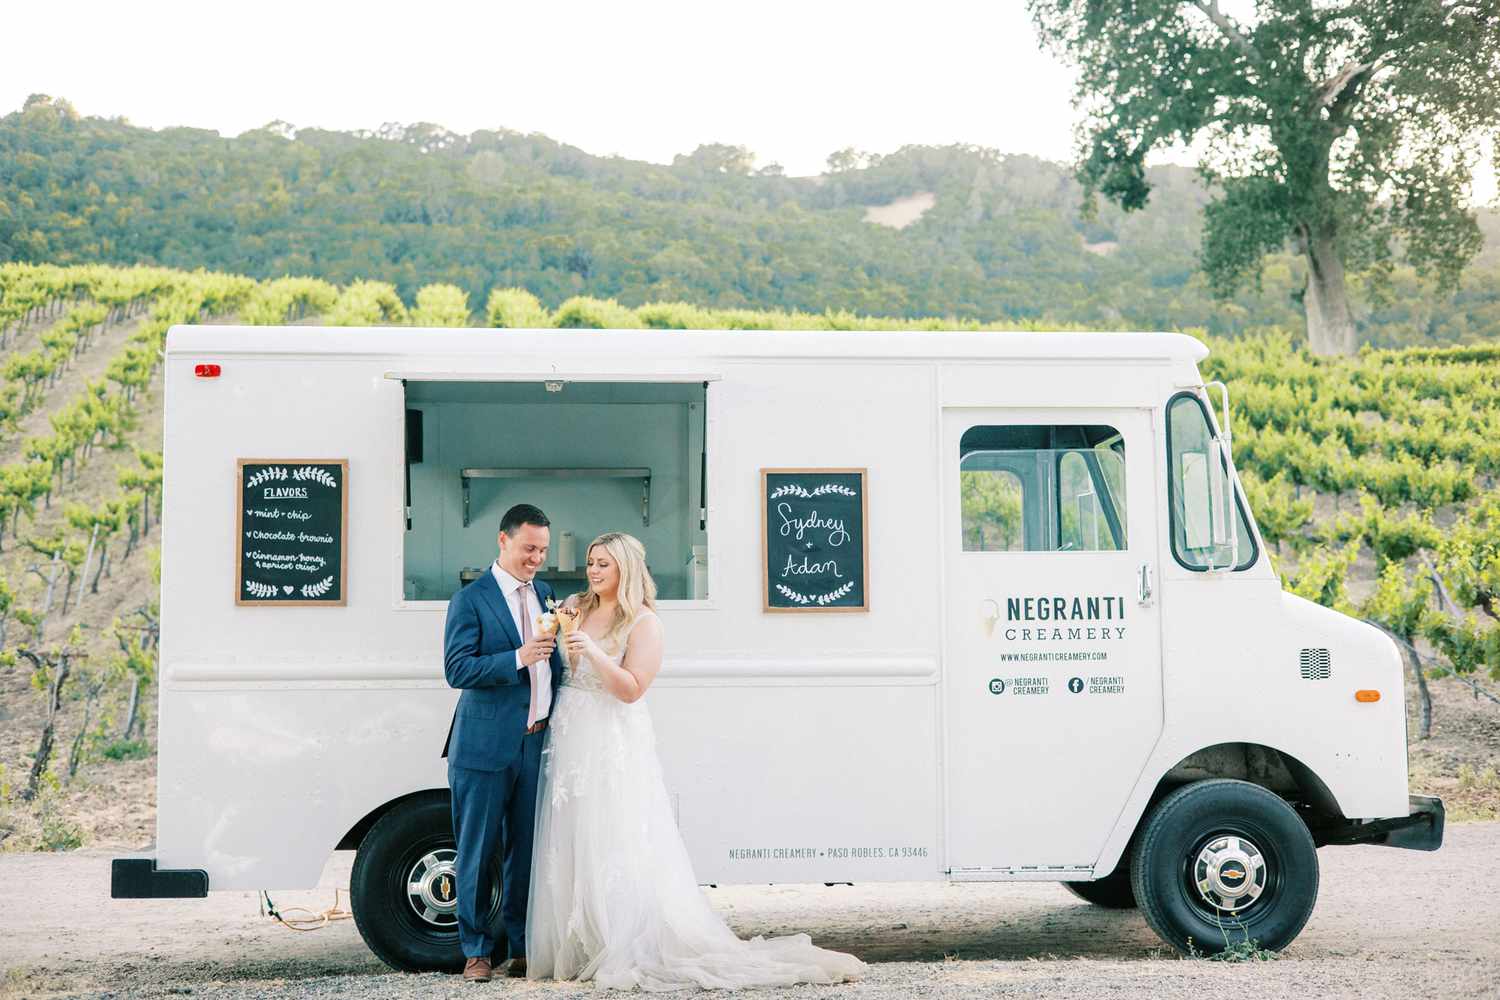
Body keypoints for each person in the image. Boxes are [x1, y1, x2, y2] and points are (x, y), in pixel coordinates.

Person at [526, 531, 866, 990]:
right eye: (591, 562)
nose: (594, 570)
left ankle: (620, 937)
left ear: (625, 568)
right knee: (570, 831)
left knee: (614, 832)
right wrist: (557, 637)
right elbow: (560, 660)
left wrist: (593, 651)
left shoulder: (644, 623)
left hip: (610, 735)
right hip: (570, 731)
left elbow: (632, 688)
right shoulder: (575, 605)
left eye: (604, 563)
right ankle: (580, 939)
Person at [440, 503, 565, 983]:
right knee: (477, 849)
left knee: (526, 851)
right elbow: (458, 670)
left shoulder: (548, 594)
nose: (537, 558)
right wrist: (517, 656)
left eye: (543, 550)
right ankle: (475, 951)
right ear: (503, 540)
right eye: (529, 548)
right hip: (483, 746)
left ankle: (520, 948)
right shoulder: (469, 600)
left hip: (535, 743)